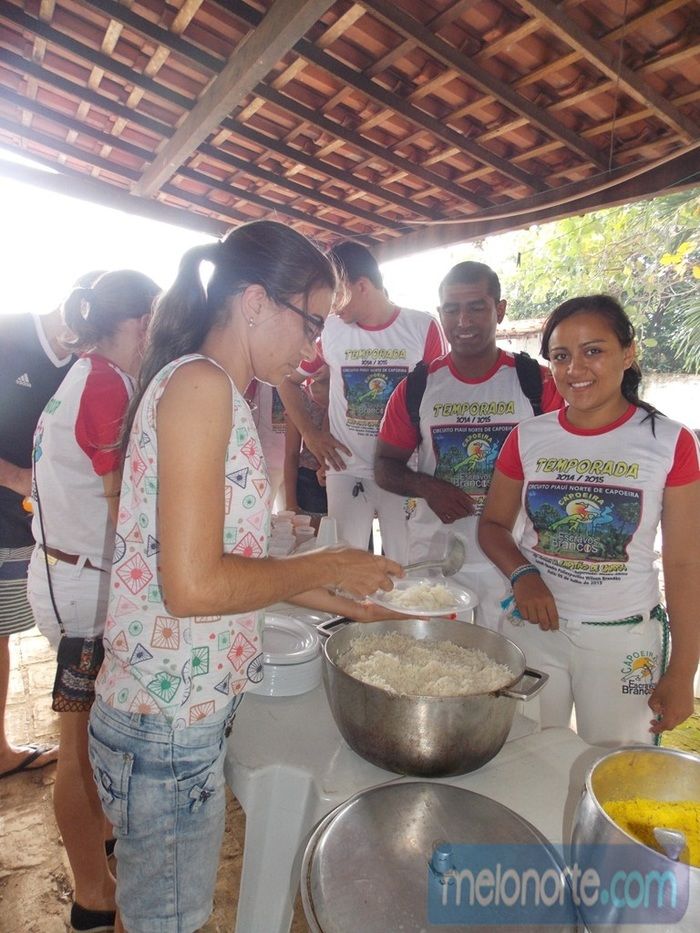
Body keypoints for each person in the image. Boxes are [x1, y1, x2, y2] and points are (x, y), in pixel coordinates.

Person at [87, 221, 402, 933]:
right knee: (166, 920)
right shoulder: (201, 386)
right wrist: (330, 562)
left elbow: (235, 567)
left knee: (154, 913)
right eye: (311, 322)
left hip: (170, 709)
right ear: (256, 301)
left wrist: (352, 605)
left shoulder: (214, 388)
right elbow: (194, 587)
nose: (314, 347)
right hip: (165, 720)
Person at [478, 295, 700, 746]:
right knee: (525, 756)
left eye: (593, 351)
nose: (575, 369)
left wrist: (683, 671)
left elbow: (684, 564)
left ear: (628, 353)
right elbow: (492, 525)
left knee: (616, 766)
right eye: (561, 356)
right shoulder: (528, 437)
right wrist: (523, 574)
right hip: (534, 631)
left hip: (622, 639)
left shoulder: (670, 443)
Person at [27, 270, 160, 932]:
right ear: (141, 321)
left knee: (92, 740)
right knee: (78, 747)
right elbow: (124, 508)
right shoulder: (105, 382)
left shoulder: (92, 372)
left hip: (73, 574)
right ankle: (91, 896)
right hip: (82, 593)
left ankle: (101, 856)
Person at [375, 261, 562, 630]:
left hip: (515, 564)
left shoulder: (536, 384)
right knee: (437, 656)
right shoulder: (419, 386)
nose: (463, 321)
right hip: (436, 562)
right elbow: (384, 466)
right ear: (440, 312)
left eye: (476, 307)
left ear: (500, 310)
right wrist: (428, 487)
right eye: (451, 309)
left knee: (508, 659)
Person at [277, 241, 445, 562]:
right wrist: (312, 435)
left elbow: (440, 400)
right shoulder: (331, 331)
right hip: (346, 468)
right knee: (347, 565)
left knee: (406, 567)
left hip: (404, 471)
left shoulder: (421, 327)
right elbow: (287, 380)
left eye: (337, 294)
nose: (331, 305)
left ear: (362, 286)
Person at [0, 270, 103, 781]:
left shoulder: (84, 365)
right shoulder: (9, 336)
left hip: (36, 522)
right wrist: (18, 477)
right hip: (8, 509)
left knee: (14, 625)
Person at [283, 365, 330, 519]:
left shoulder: (352, 396)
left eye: (321, 359)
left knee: (353, 533)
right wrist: (291, 504)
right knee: (312, 534)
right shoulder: (299, 399)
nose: (314, 364)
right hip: (309, 483)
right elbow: (291, 453)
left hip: (349, 478)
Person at [246, 379, 287, 509]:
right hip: (267, 460)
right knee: (266, 511)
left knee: (285, 514)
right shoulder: (260, 376)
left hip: (289, 459)